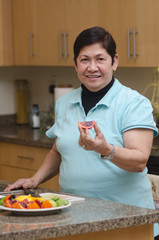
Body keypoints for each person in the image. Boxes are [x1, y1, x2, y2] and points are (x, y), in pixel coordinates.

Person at [5, 26, 159, 238]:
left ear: (114, 61)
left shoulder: (133, 103)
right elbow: (58, 151)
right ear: (75, 64)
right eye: (85, 59)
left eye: (100, 59)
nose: (92, 67)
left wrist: (106, 149)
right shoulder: (65, 102)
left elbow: (139, 161)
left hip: (125, 217)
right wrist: (35, 179)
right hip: (74, 213)